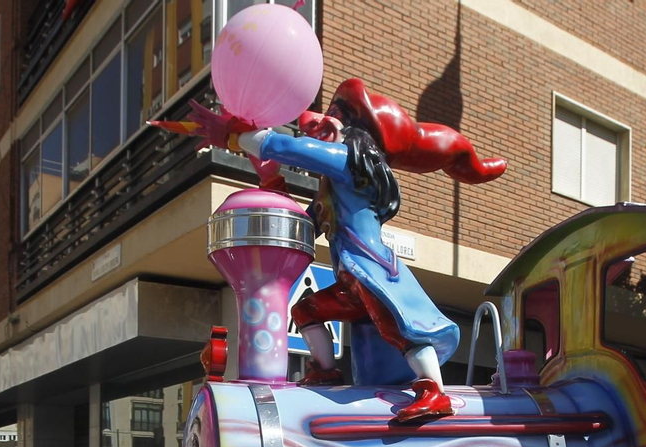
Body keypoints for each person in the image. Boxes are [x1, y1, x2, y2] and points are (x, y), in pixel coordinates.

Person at [182, 79, 505, 421]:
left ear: (358, 131)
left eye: (334, 114)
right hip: (350, 278)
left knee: (401, 326)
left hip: (371, 268)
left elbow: (294, 149)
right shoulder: (331, 191)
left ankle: (434, 392)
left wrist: (237, 137)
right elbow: (303, 226)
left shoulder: (350, 161)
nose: (320, 119)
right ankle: (325, 371)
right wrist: (271, 180)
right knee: (306, 311)